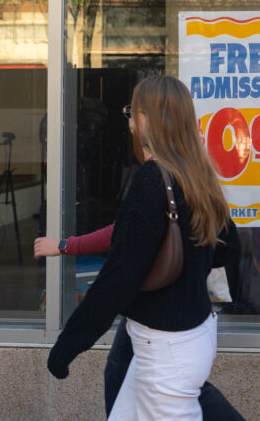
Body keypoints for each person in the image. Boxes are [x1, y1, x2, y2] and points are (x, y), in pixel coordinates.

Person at [47, 75, 241, 421]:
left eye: (131, 113)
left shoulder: (151, 180)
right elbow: (228, 249)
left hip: (166, 347)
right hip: (194, 334)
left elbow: (119, 277)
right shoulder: (198, 174)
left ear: (146, 120)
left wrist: (67, 347)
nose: (130, 122)